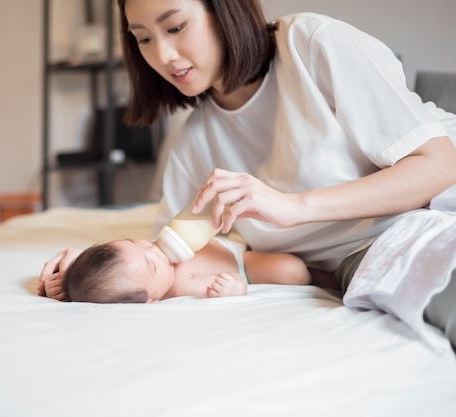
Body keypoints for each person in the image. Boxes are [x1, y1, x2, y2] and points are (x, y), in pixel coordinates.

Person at [39, 0, 456, 346]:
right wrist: (87, 267)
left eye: (176, 26)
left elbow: (439, 164)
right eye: (143, 38)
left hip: (431, 208)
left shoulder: (310, 45)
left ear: (223, 10)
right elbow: (165, 258)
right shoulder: (195, 141)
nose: (162, 55)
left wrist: (294, 208)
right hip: (365, 258)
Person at [46, 236, 330, 303]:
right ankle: (320, 275)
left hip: (223, 237)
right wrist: (233, 288)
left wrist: (72, 266)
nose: (153, 250)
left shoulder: (131, 259)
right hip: (240, 261)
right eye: (151, 264)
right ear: (151, 299)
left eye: (138, 243)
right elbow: (230, 283)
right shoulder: (182, 284)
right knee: (291, 270)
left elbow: (103, 265)